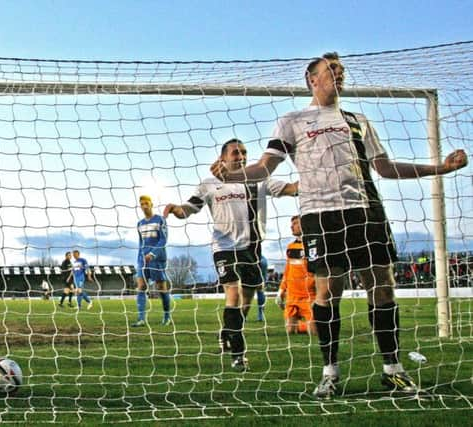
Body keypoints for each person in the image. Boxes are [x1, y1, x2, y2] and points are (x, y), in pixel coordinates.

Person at [211, 52, 468, 396]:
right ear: (312, 80)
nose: (339, 74)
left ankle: (393, 368)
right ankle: (330, 372)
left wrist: (440, 168)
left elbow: (386, 168)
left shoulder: (357, 119)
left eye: (341, 70)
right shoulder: (292, 120)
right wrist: (231, 174)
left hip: (365, 210)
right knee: (328, 292)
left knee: (383, 286)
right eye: (331, 70)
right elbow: (264, 169)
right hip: (321, 215)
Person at [165, 139, 297, 371]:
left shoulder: (258, 178)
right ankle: (238, 354)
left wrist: (316, 181)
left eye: (244, 152)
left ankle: (228, 331)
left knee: (247, 300)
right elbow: (188, 208)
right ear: (223, 158)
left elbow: (289, 189)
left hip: (253, 249)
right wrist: (176, 209)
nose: (241, 156)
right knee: (233, 294)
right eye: (236, 153)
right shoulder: (209, 183)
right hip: (223, 247)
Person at [132, 195, 172, 327]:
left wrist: (153, 254)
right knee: (141, 287)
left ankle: (167, 317)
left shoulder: (160, 220)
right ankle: (141, 319)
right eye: (142, 204)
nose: (144, 206)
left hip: (157, 259)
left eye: (146, 203)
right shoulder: (140, 223)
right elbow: (140, 243)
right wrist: (139, 258)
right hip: (143, 260)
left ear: (151, 204)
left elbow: (163, 240)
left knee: (161, 288)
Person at [276, 215, 316, 335]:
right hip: (292, 295)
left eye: (295, 223)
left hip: (309, 296)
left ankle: (315, 324)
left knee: (313, 332)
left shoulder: (312, 245)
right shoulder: (290, 247)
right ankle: (302, 323)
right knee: (290, 331)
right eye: (292, 223)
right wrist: (281, 290)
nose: (291, 226)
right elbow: (288, 269)